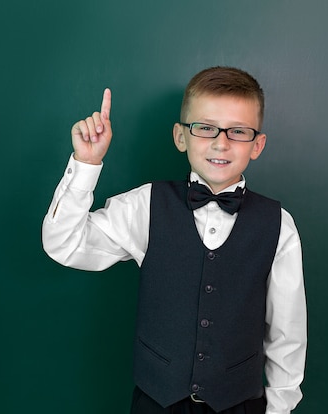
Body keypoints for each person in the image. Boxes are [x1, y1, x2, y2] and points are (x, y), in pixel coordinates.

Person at [42, 67, 307, 414]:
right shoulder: (144, 207)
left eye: (238, 131)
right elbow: (65, 244)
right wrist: (87, 163)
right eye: (205, 127)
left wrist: (280, 408)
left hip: (241, 405)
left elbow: (287, 334)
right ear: (181, 137)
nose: (221, 142)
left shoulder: (279, 225)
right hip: (156, 403)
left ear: (257, 145)